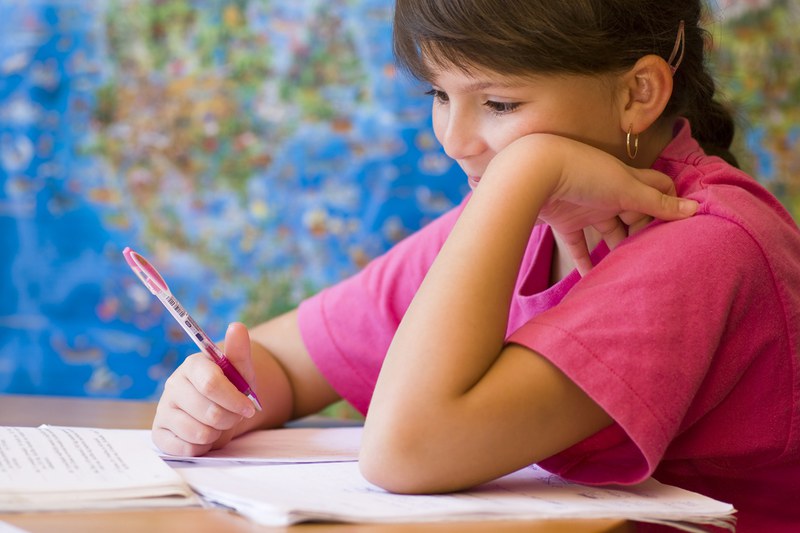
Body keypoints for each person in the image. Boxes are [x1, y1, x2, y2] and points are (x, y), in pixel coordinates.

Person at [151, 1, 800, 531]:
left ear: (638, 93)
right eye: (439, 92)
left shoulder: (706, 243)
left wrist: (525, 167)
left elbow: (407, 452)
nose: (454, 139)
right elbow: (289, 361)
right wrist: (217, 395)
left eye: (499, 104)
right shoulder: (524, 215)